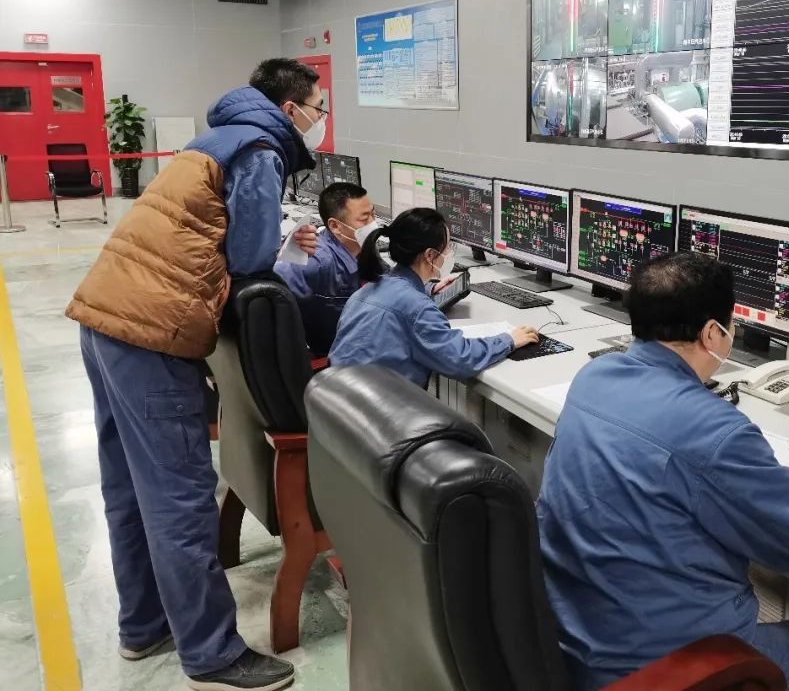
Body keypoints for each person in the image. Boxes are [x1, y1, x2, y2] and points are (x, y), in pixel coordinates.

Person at [536, 252, 789, 691]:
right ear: (712, 332)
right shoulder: (713, 430)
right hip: (657, 667)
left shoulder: (595, 375)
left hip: (572, 633)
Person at [66, 58, 330, 691]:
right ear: (291, 109)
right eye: (319, 108)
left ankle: (144, 625)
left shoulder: (216, 137)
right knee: (179, 498)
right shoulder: (261, 149)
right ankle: (212, 654)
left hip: (106, 315)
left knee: (129, 487)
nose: (321, 120)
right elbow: (249, 258)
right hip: (151, 331)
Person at [329, 207, 539, 387]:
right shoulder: (416, 307)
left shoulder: (367, 291)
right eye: (447, 247)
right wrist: (509, 340)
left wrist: (427, 290)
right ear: (429, 255)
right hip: (377, 411)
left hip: (339, 403)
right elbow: (460, 359)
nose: (449, 253)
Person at [275, 181, 378, 355]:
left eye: (373, 214)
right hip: (337, 354)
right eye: (364, 219)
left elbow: (384, 279)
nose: (373, 224)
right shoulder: (318, 261)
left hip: (360, 337)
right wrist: (287, 253)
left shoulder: (363, 247)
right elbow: (272, 294)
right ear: (335, 226)